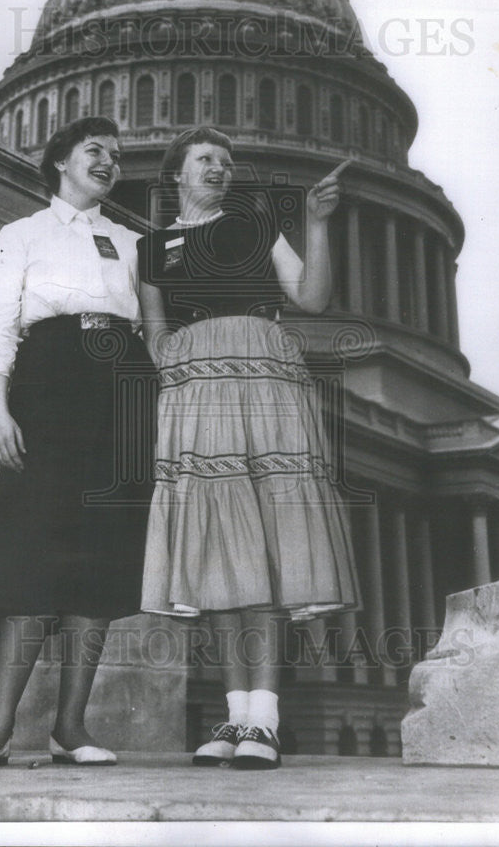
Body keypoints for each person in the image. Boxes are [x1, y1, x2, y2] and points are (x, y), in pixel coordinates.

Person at [137, 127, 361, 770]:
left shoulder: (257, 229)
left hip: (265, 384)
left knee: (263, 544)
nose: (220, 169)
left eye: (227, 163)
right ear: (176, 173)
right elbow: (155, 335)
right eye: (206, 159)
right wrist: (182, 377)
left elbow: (312, 298)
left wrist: (318, 225)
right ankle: (237, 718)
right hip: (196, 395)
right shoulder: (152, 249)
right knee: (215, 551)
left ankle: (266, 718)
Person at [0, 116, 155, 768]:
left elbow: (153, 324)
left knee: (102, 554)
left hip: (122, 385)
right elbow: (0, 322)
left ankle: (71, 726)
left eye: (116, 156)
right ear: (60, 161)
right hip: (50, 380)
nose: (109, 162)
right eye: (95, 151)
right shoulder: (21, 236)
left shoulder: (132, 241)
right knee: (30, 548)